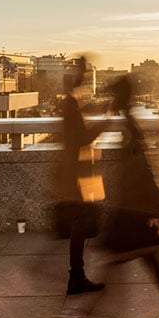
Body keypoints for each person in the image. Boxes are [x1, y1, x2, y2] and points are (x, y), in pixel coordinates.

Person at [62, 75, 159, 318]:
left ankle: (89, 316)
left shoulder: (130, 124)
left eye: (113, 95)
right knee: (139, 258)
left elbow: (141, 169)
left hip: (135, 209)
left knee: (120, 258)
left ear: (121, 97)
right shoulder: (128, 122)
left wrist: (156, 208)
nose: (110, 99)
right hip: (134, 206)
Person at [52, 56, 105, 295]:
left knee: (79, 224)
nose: (86, 89)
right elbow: (82, 138)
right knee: (79, 225)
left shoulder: (70, 105)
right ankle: (76, 276)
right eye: (83, 83)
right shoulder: (71, 107)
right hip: (74, 173)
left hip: (71, 170)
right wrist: (102, 124)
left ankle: (78, 274)